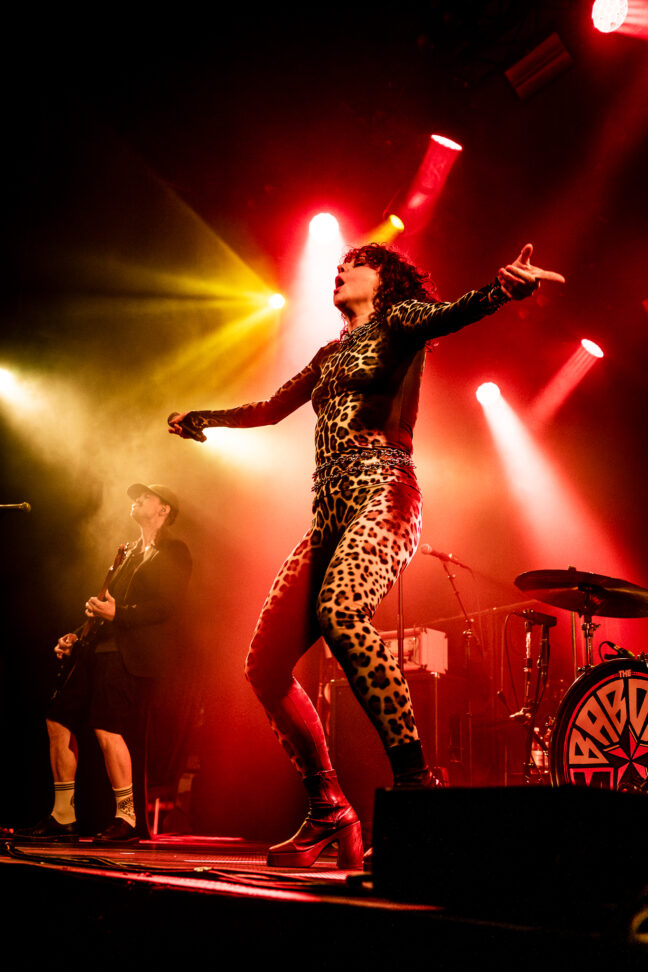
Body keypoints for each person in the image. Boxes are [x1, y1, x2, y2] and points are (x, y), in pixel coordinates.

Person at [168, 241, 564, 868]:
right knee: (263, 665)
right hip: (326, 517)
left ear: (384, 279)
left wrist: (500, 291)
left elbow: (450, 313)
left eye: (355, 262)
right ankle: (328, 810)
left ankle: (416, 788)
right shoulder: (329, 354)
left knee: (341, 611)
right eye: (339, 263)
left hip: (386, 494)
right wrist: (205, 417)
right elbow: (270, 410)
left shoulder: (400, 320)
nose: (341, 268)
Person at [17, 483, 192, 842]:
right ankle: (63, 815)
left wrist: (119, 613)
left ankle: (126, 817)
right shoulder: (127, 551)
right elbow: (106, 608)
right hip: (96, 648)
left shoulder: (174, 551)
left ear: (164, 510)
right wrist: (75, 635)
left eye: (146, 497)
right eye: (136, 497)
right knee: (58, 718)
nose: (137, 500)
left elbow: (167, 606)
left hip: (127, 653)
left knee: (106, 727)